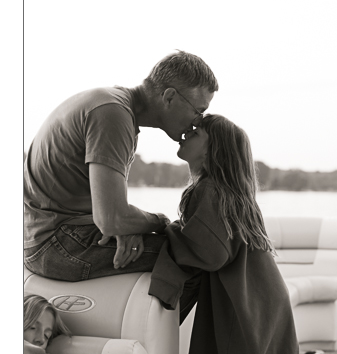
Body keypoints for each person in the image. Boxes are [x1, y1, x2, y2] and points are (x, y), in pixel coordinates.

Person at [148, 114, 300, 354]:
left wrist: (161, 228)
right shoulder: (231, 192)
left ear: (213, 148)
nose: (183, 135)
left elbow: (209, 252)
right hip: (262, 298)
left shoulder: (209, 190)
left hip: (249, 303)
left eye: (194, 132)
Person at [24, 51, 218, 281]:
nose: (198, 122)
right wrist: (159, 221)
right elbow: (111, 219)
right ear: (169, 97)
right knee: (199, 259)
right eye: (199, 111)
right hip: (56, 245)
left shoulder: (112, 105)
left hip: (47, 235)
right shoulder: (113, 116)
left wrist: (128, 224)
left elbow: (112, 216)